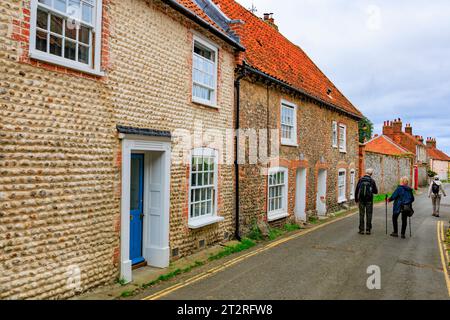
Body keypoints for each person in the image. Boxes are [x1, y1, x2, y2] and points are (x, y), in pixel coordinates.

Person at [355, 168, 379, 235]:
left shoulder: (360, 180)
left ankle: (361, 230)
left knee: (361, 214)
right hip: (369, 200)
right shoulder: (372, 181)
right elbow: (376, 191)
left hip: (361, 200)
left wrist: (356, 200)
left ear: (365, 172)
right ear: (371, 174)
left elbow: (357, 190)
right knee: (369, 214)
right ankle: (368, 230)